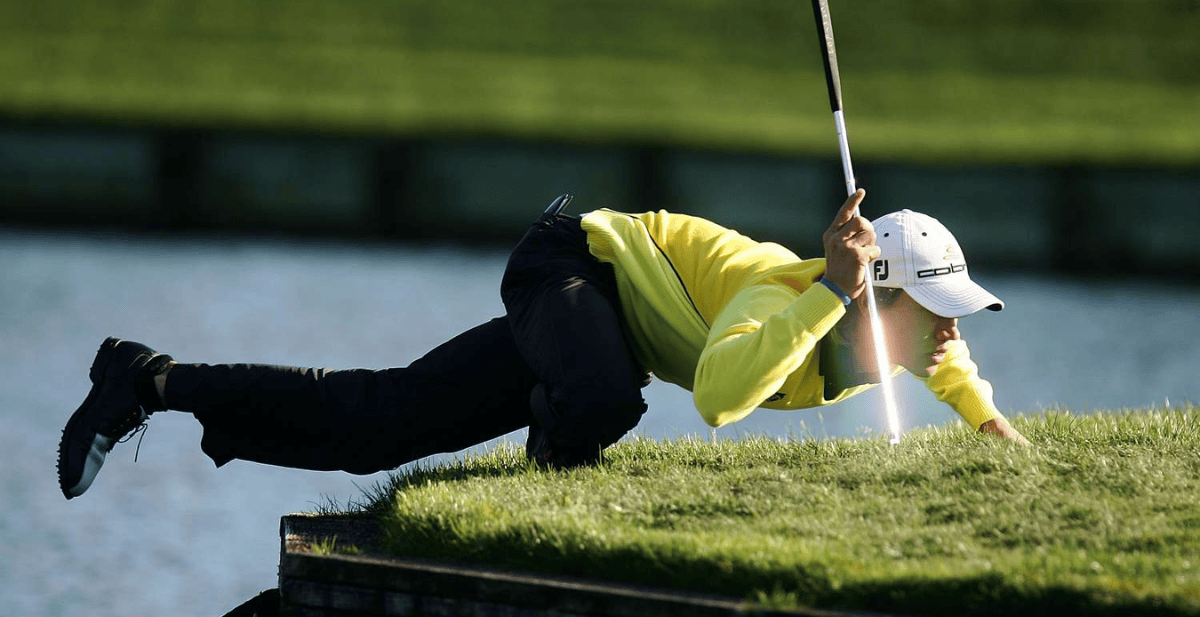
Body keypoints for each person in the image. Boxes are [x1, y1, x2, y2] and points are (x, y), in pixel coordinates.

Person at [57, 189, 1028, 500]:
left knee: (378, 425)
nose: (949, 327)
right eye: (933, 307)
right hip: (571, 268)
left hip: (598, 329)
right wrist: (827, 289)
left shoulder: (894, 337)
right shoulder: (785, 299)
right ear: (874, 295)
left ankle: (149, 378)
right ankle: (550, 470)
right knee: (603, 400)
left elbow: (949, 363)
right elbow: (722, 398)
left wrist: (994, 430)